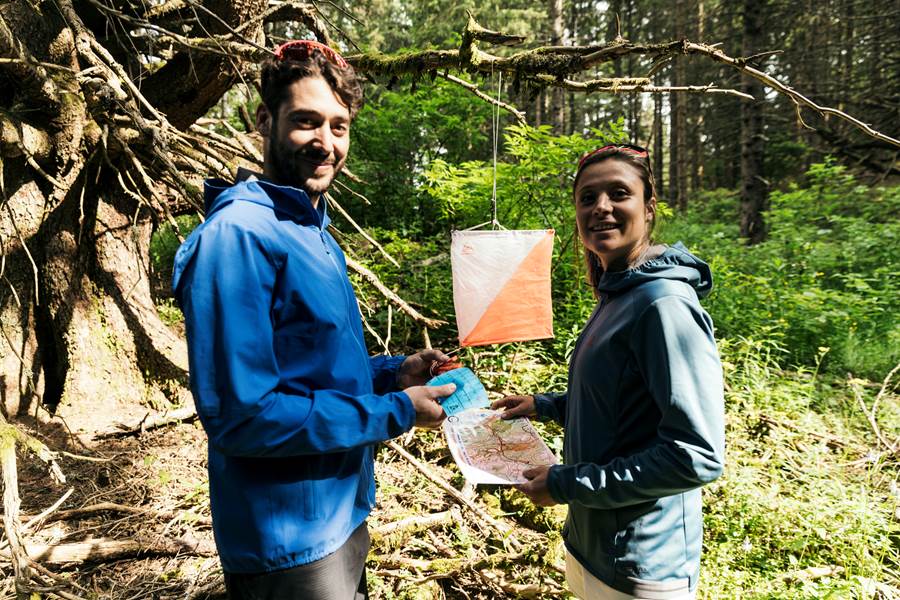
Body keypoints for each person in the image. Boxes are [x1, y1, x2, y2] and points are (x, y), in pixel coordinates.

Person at [172, 40, 455, 600]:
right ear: (264, 120)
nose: (326, 144)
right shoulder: (237, 239)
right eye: (307, 122)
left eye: (339, 126)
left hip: (342, 512)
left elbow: (310, 367)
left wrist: (392, 374)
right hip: (287, 544)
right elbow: (244, 417)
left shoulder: (308, 225)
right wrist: (396, 410)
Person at [492, 144, 725, 600]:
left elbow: (695, 455)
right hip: (591, 544)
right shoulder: (619, 292)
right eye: (587, 198)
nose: (601, 207)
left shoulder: (664, 305)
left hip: (642, 563)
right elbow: (623, 402)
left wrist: (567, 484)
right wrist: (544, 406)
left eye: (619, 193)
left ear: (649, 208)